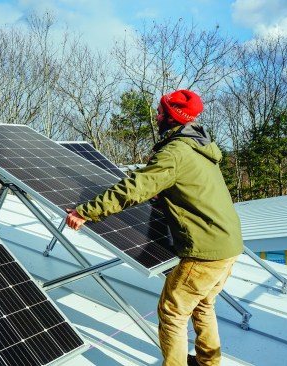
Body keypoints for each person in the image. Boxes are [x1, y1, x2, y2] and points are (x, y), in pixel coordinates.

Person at [66, 90, 243, 366]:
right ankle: (210, 363)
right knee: (203, 304)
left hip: (205, 253)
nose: (157, 116)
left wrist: (86, 211)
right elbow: (190, 186)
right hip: (228, 245)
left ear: (173, 117)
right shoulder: (200, 148)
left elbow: (135, 188)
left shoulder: (176, 152)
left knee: (172, 313)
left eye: (161, 112)